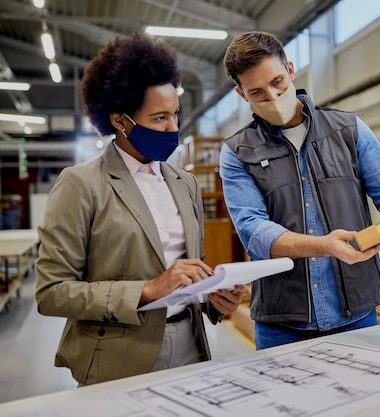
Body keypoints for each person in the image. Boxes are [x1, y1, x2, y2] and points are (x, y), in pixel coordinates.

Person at [220, 31, 380, 350]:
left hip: (355, 313)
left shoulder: (348, 130)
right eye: (257, 91)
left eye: (277, 82)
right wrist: (323, 245)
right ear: (241, 94)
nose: (272, 97)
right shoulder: (237, 152)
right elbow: (254, 232)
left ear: (290, 69)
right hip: (281, 321)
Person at [35, 31, 247, 385]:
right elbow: (52, 292)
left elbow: (187, 269)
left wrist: (214, 296)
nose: (174, 128)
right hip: (119, 355)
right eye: (159, 118)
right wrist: (147, 290)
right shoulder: (82, 184)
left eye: (176, 115)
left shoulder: (185, 183)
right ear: (120, 120)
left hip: (191, 348)